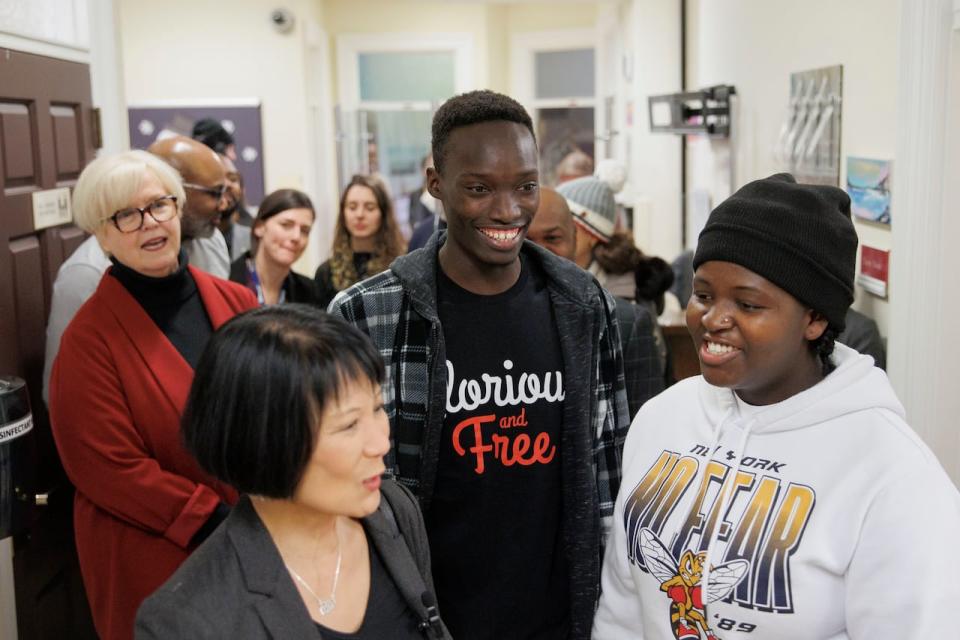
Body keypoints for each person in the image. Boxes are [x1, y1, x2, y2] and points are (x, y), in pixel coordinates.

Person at [593, 173, 960, 640]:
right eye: (703, 295)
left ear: (815, 318)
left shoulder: (893, 473)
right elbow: (623, 608)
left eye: (747, 304)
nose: (712, 319)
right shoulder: (664, 418)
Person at [330, 89, 630, 640]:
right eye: (478, 188)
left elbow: (608, 474)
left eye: (525, 186)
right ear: (435, 185)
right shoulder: (366, 317)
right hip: (427, 618)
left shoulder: (584, 305)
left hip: (560, 618)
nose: (508, 209)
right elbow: (344, 490)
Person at [135, 306, 450, 639]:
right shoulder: (187, 620)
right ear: (265, 443)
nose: (380, 443)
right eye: (349, 425)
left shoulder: (394, 512)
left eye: (376, 409)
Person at [48, 150, 258, 639]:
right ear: (100, 235)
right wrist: (211, 518)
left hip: (256, 537)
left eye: (159, 205)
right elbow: (106, 466)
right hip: (159, 552)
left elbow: (272, 404)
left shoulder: (236, 300)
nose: (149, 223)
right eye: (125, 215)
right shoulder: (87, 340)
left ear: (179, 207)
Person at [528, 187, 664, 415]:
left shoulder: (624, 318)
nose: (540, 251)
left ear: (577, 236)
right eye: (526, 239)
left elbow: (648, 422)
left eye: (552, 237)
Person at [315, 175, 406, 309]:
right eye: (352, 207)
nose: (359, 215)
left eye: (369, 208)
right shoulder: (325, 272)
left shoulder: (400, 267)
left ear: (383, 214)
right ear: (343, 214)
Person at [148, 135, 232, 278]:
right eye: (215, 193)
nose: (224, 205)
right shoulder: (103, 264)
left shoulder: (212, 240)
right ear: (175, 190)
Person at [229, 188, 320, 305]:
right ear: (259, 227)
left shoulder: (310, 293)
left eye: (305, 231)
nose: (296, 237)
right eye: (286, 225)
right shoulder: (227, 280)